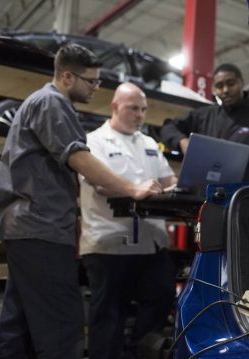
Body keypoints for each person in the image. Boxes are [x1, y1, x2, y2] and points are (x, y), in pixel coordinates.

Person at [0, 44, 162, 359]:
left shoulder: (42, 102)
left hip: (25, 227)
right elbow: (79, 158)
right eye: (91, 81)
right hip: (39, 227)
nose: (96, 88)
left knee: (21, 323)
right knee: (62, 325)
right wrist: (132, 189)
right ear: (68, 76)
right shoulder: (52, 103)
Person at [79, 82, 178, 359]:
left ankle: (140, 354)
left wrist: (181, 186)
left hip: (151, 244)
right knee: (109, 317)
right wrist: (136, 188)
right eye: (133, 108)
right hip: (110, 244)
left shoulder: (148, 143)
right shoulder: (94, 140)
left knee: (161, 298)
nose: (140, 115)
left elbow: (169, 180)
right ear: (115, 106)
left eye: (143, 109)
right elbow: (100, 184)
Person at [160, 63, 249, 182]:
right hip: (207, 196)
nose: (225, 90)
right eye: (219, 86)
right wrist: (182, 141)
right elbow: (168, 128)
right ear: (214, 89)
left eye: (231, 83)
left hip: (247, 199)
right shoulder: (203, 116)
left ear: (242, 83)